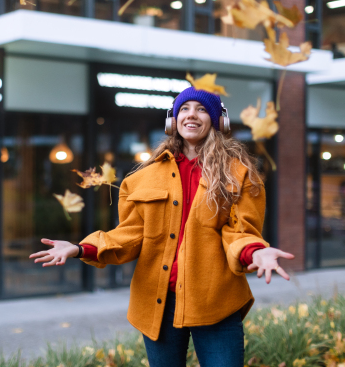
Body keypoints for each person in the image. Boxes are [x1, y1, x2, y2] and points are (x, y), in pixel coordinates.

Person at [30, 86, 295, 367]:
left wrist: (256, 252)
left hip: (216, 301)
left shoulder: (240, 174)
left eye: (202, 109)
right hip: (158, 304)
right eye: (184, 109)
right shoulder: (142, 178)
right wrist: (80, 248)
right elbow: (130, 235)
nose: (192, 115)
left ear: (218, 121)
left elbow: (239, 232)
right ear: (173, 120)